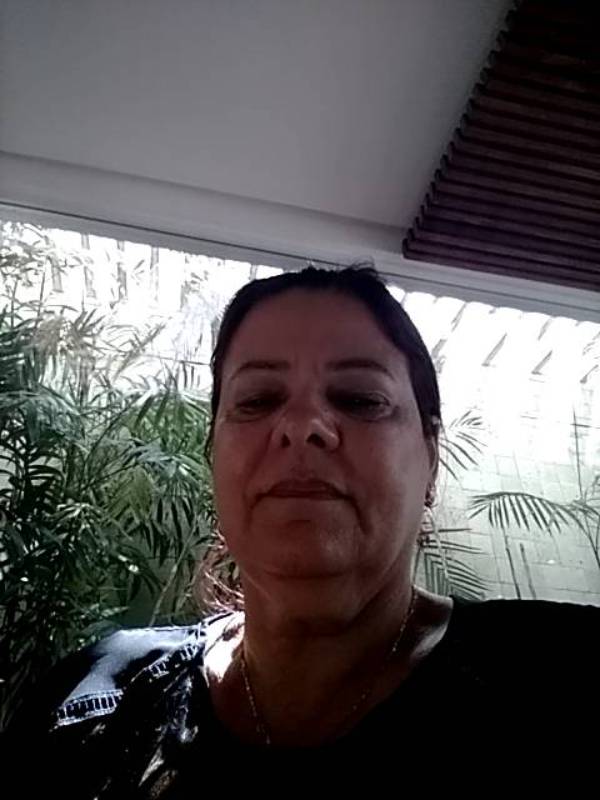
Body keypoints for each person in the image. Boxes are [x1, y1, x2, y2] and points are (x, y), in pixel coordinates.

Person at [3, 266, 599, 796]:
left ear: (431, 460)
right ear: (214, 458)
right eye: (258, 399)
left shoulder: (564, 680)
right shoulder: (92, 701)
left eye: (360, 399)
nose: (303, 424)